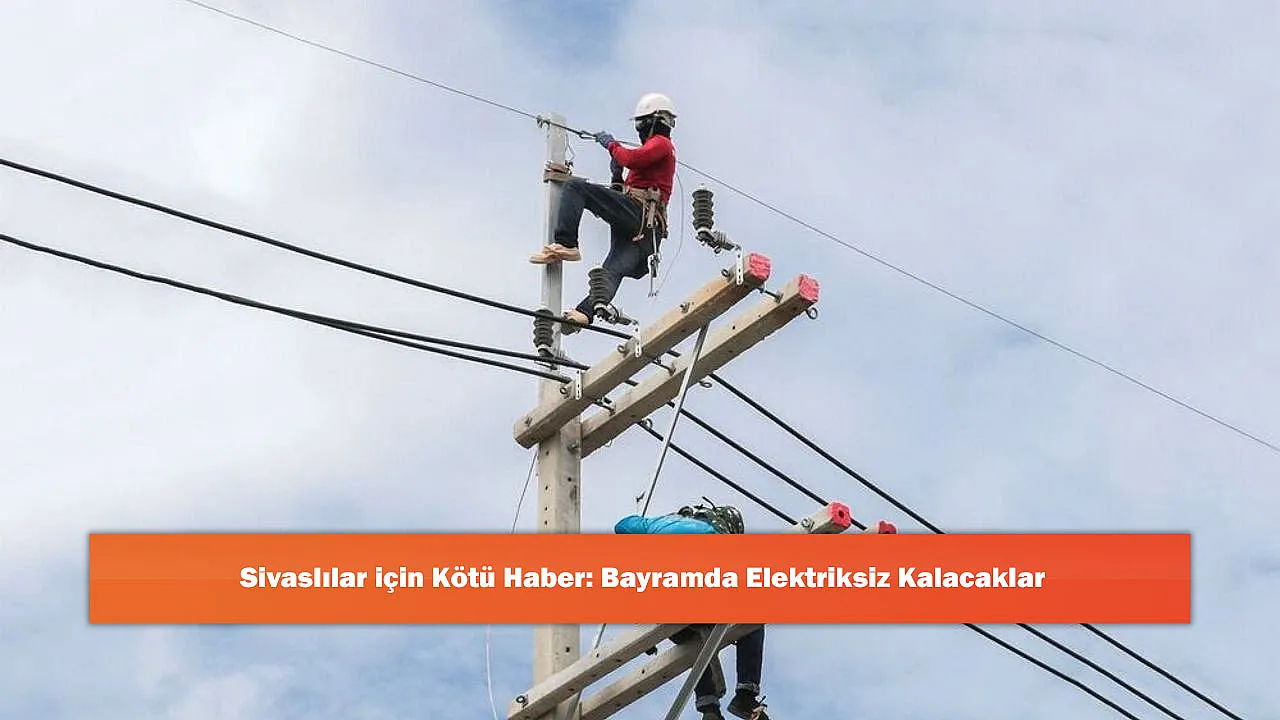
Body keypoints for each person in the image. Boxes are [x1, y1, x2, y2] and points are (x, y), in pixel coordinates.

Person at [529, 92, 678, 331]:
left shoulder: (661, 144)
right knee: (612, 269)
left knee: (576, 188)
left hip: (640, 217)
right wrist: (617, 176)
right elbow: (625, 187)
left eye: (640, 124)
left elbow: (630, 158)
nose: (639, 130)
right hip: (645, 234)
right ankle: (583, 314)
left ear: (652, 122)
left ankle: (566, 243)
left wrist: (611, 145)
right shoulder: (656, 154)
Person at [614, 502, 770, 720]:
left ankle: (709, 708)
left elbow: (622, 526)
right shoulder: (717, 535)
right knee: (752, 617)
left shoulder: (656, 524)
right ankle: (746, 695)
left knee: (694, 642)